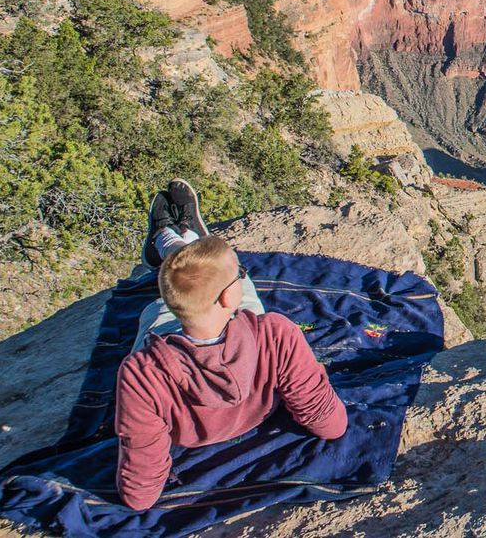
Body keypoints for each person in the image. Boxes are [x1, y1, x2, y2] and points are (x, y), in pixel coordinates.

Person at [114, 179, 348, 510]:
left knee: (174, 294)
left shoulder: (141, 373)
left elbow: (140, 492)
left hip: (172, 334)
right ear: (228, 297)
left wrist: (140, 494)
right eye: (239, 273)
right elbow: (329, 423)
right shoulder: (275, 335)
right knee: (228, 286)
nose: (240, 275)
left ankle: (166, 241)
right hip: (245, 361)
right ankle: (185, 239)